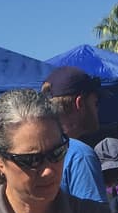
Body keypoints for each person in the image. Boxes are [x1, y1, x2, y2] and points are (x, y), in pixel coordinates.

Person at [41, 66, 107, 203]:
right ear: (80, 103)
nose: (98, 110)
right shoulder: (80, 155)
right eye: (95, 103)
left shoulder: (33, 152)